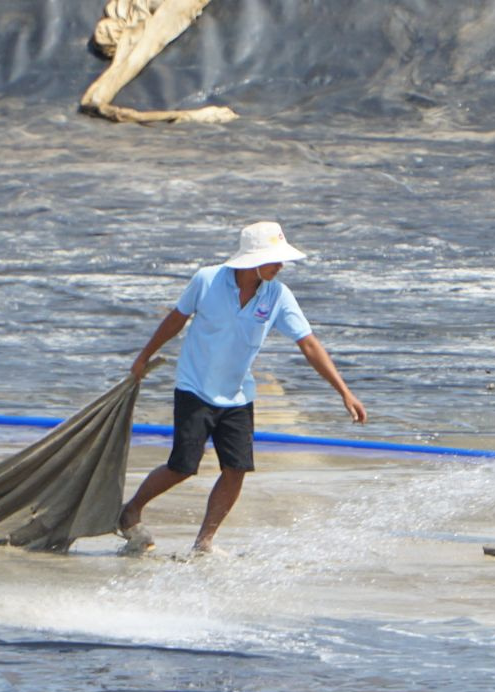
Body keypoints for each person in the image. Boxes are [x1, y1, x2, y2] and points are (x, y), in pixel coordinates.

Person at [118, 222, 367, 554]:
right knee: (182, 466)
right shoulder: (207, 280)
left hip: (238, 394)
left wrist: (344, 392)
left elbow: (308, 344)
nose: (280, 266)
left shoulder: (277, 295)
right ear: (252, 259)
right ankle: (131, 511)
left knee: (236, 469)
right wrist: (143, 357)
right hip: (194, 387)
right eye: (274, 259)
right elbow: (176, 320)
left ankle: (204, 542)